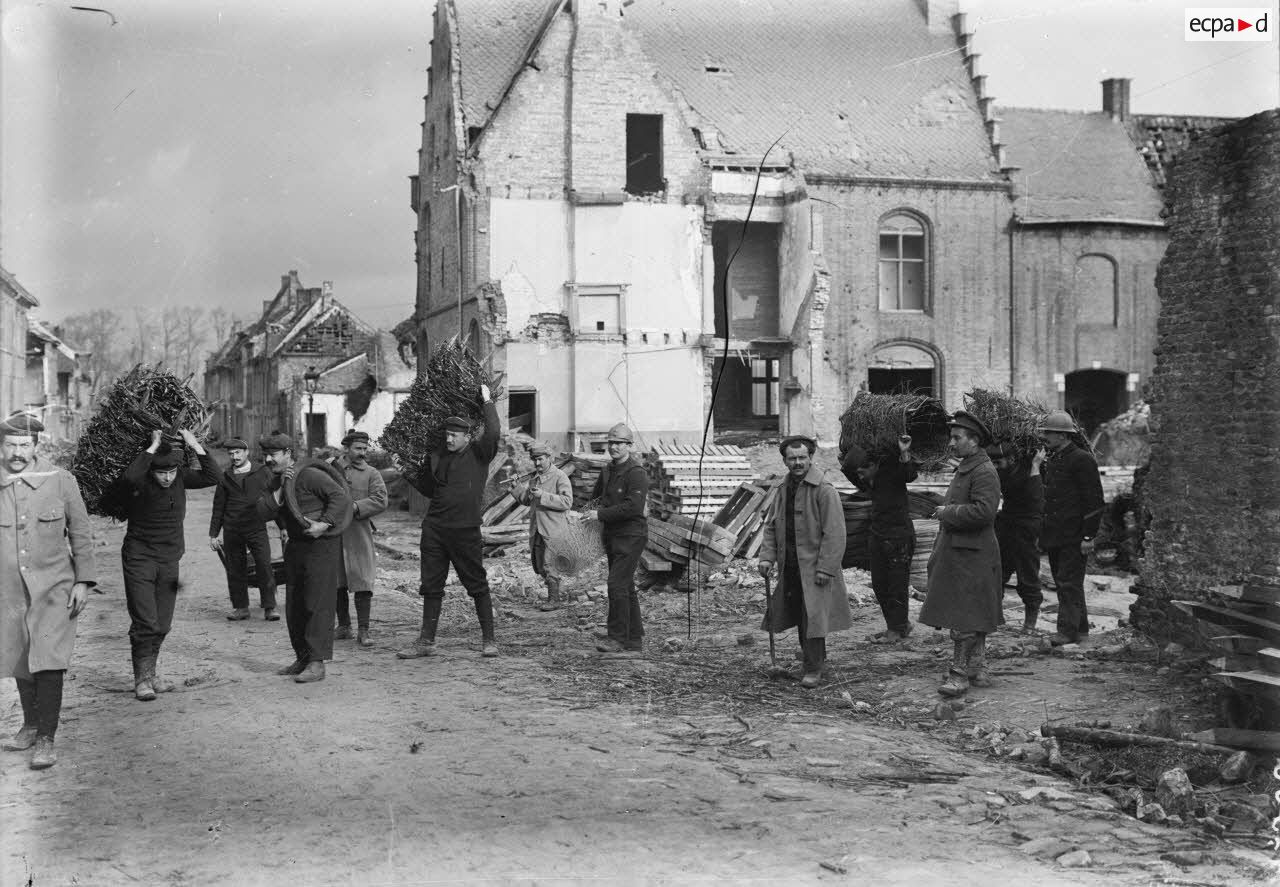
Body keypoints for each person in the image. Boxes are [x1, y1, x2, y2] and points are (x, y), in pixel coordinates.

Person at [0, 412, 96, 770]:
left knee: (49, 659)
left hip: (55, 587)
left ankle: (46, 738)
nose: (17, 453)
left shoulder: (60, 480)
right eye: (10, 445)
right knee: (20, 656)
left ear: (37, 445)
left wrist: (84, 580)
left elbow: (81, 533)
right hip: (8, 590)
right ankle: (30, 722)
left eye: (24, 445)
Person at [397, 386, 501, 659]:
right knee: (431, 585)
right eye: (446, 434)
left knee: (476, 584)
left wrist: (487, 401)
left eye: (454, 435)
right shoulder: (439, 459)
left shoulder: (480, 454)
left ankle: (489, 640)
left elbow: (493, 432)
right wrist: (406, 474)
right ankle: (426, 642)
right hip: (435, 529)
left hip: (465, 530)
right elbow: (432, 490)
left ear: (468, 436)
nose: (449, 439)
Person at [120, 427, 221, 701]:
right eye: (161, 473)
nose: (167, 478)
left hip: (169, 558)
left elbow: (214, 475)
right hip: (139, 557)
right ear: (152, 470)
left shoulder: (180, 479)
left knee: (163, 624)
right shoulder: (141, 480)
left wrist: (194, 444)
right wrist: (152, 446)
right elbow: (129, 476)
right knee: (145, 621)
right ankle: (141, 679)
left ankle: (152, 674)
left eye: (171, 472)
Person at [256, 432, 352, 683]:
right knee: (296, 605)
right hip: (296, 545)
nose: (267, 459)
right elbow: (262, 512)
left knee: (316, 603)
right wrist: (279, 489)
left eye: (273, 455)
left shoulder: (310, 475)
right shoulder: (273, 479)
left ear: (288, 454)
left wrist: (325, 523)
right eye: (265, 454)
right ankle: (302, 657)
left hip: (322, 545)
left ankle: (317, 664)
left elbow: (341, 498)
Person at [919, 411, 1003, 697]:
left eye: (957, 438)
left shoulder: (983, 471)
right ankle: (977, 668)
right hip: (963, 552)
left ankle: (959, 675)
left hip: (972, 556)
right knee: (972, 612)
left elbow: (985, 511)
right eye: (951, 437)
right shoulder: (969, 466)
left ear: (974, 441)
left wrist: (947, 512)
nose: (951, 443)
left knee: (964, 615)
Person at [758, 435, 852, 689]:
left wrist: (826, 568)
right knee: (801, 614)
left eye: (802, 457)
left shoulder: (824, 490)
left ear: (811, 458)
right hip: (790, 565)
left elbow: (835, 533)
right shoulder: (782, 489)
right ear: (785, 461)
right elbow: (771, 525)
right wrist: (767, 557)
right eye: (792, 458)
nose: (798, 462)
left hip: (815, 568)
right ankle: (815, 660)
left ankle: (813, 668)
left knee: (814, 618)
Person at [840, 433, 917, 643]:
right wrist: (845, 452)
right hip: (877, 534)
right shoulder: (868, 479)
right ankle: (897, 626)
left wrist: (904, 451)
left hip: (899, 536)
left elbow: (910, 474)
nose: (860, 476)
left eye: (863, 471)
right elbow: (850, 470)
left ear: (874, 465)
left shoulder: (893, 472)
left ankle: (897, 629)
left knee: (897, 584)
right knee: (880, 584)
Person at [1037, 410, 1105, 646]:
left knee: (1068, 583)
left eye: (1049, 433)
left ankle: (1066, 632)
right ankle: (1081, 630)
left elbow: (1095, 501)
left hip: (1075, 535)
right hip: (1056, 534)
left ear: (1063, 436)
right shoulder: (1054, 459)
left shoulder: (1082, 459)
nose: (1045, 437)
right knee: (1066, 582)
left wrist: (1089, 535)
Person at [583, 423, 649, 654]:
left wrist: (599, 514)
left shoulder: (636, 473)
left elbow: (633, 507)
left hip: (632, 535)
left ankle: (617, 638)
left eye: (619, 443)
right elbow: (596, 500)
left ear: (629, 446)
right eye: (611, 443)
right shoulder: (608, 470)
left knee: (616, 585)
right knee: (626, 586)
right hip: (612, 535)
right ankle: (634, 638)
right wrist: (584, 514)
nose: (614, 447)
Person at [209, 437, 279, 622]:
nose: (234, 457)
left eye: (238, 452)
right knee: (235, 568)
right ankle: (241, 608)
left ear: (246, 452)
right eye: (231, 454)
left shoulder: (262, 472)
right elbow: (218, 507)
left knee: (264, 565)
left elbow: (275, 501)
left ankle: (270, 607)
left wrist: (284, 527)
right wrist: (213, 534)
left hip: (256, 527)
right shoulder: (225, 476)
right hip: (232, 529)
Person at [333, 430, 388, 646]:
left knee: (363, 580)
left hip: (358, 532)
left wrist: (355, 506)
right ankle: (344, 626)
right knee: (337, 581)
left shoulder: (372, 473)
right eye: (358, 448)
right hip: (334, 532)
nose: (363, 453)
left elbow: (380, 500)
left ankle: (363, 630)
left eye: (365, 449)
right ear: (346, 448)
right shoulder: (331, 467)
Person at [987, 441, 1046, 633]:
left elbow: (1037, 498)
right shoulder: (1001, 473)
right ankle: (995, 618)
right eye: (992, 462)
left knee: (1027, 576)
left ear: (1012, 459)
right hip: (1006, 526)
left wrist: (1036, 466)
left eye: (999, 462)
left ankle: (1030, 622)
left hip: (1027, 528)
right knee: (997, 574)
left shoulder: (1029, 468)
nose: (995, 466)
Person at [510, 441, 573, 611]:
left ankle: (555, 599)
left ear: (549, 458)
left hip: (554, 529)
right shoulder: (534, 479)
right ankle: (556, 593)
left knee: (549, 564)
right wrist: (516, 488)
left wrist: (543, 495)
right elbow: (526, 499)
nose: (537, 463)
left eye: (541, 459)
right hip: (537, 529)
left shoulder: (560, 476)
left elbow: (567, 502)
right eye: (535, 460)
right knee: (539, 565)